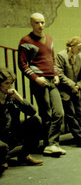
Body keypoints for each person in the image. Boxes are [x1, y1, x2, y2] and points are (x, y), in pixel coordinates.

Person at [18, 13, 65, 156]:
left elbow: (52, 59)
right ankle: (49, 144)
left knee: (59, 112)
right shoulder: (25, 40)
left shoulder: (49, 38)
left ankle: (53, 143)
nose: (40, 25)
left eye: (42, 22)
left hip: (52, 80)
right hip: (40, 81)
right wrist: (35, 78)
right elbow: (22, 63)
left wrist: (56, 74)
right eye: (37, 23)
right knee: (47, 114)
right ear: (31, 23)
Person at [56, 37, 81, 149]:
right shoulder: (61, 55)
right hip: (65, 91)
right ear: (72, 46)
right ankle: (80, 140)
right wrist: (72, 85)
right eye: (78, 48)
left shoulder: (79, 55)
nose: (80, 51)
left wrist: (78, 85)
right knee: (71, 116)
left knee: (80, 115)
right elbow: (59, 73)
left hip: (76, 90)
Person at [1, 68, 43, 176]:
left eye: (11, 83)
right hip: (1, 138)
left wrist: (18, 97)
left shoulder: (12, 97)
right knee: (1, 148)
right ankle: (1, 160)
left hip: (13, 135)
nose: (10, 86)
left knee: (36, 120)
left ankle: (24, 156)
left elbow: (32, 111)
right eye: (6, 83)